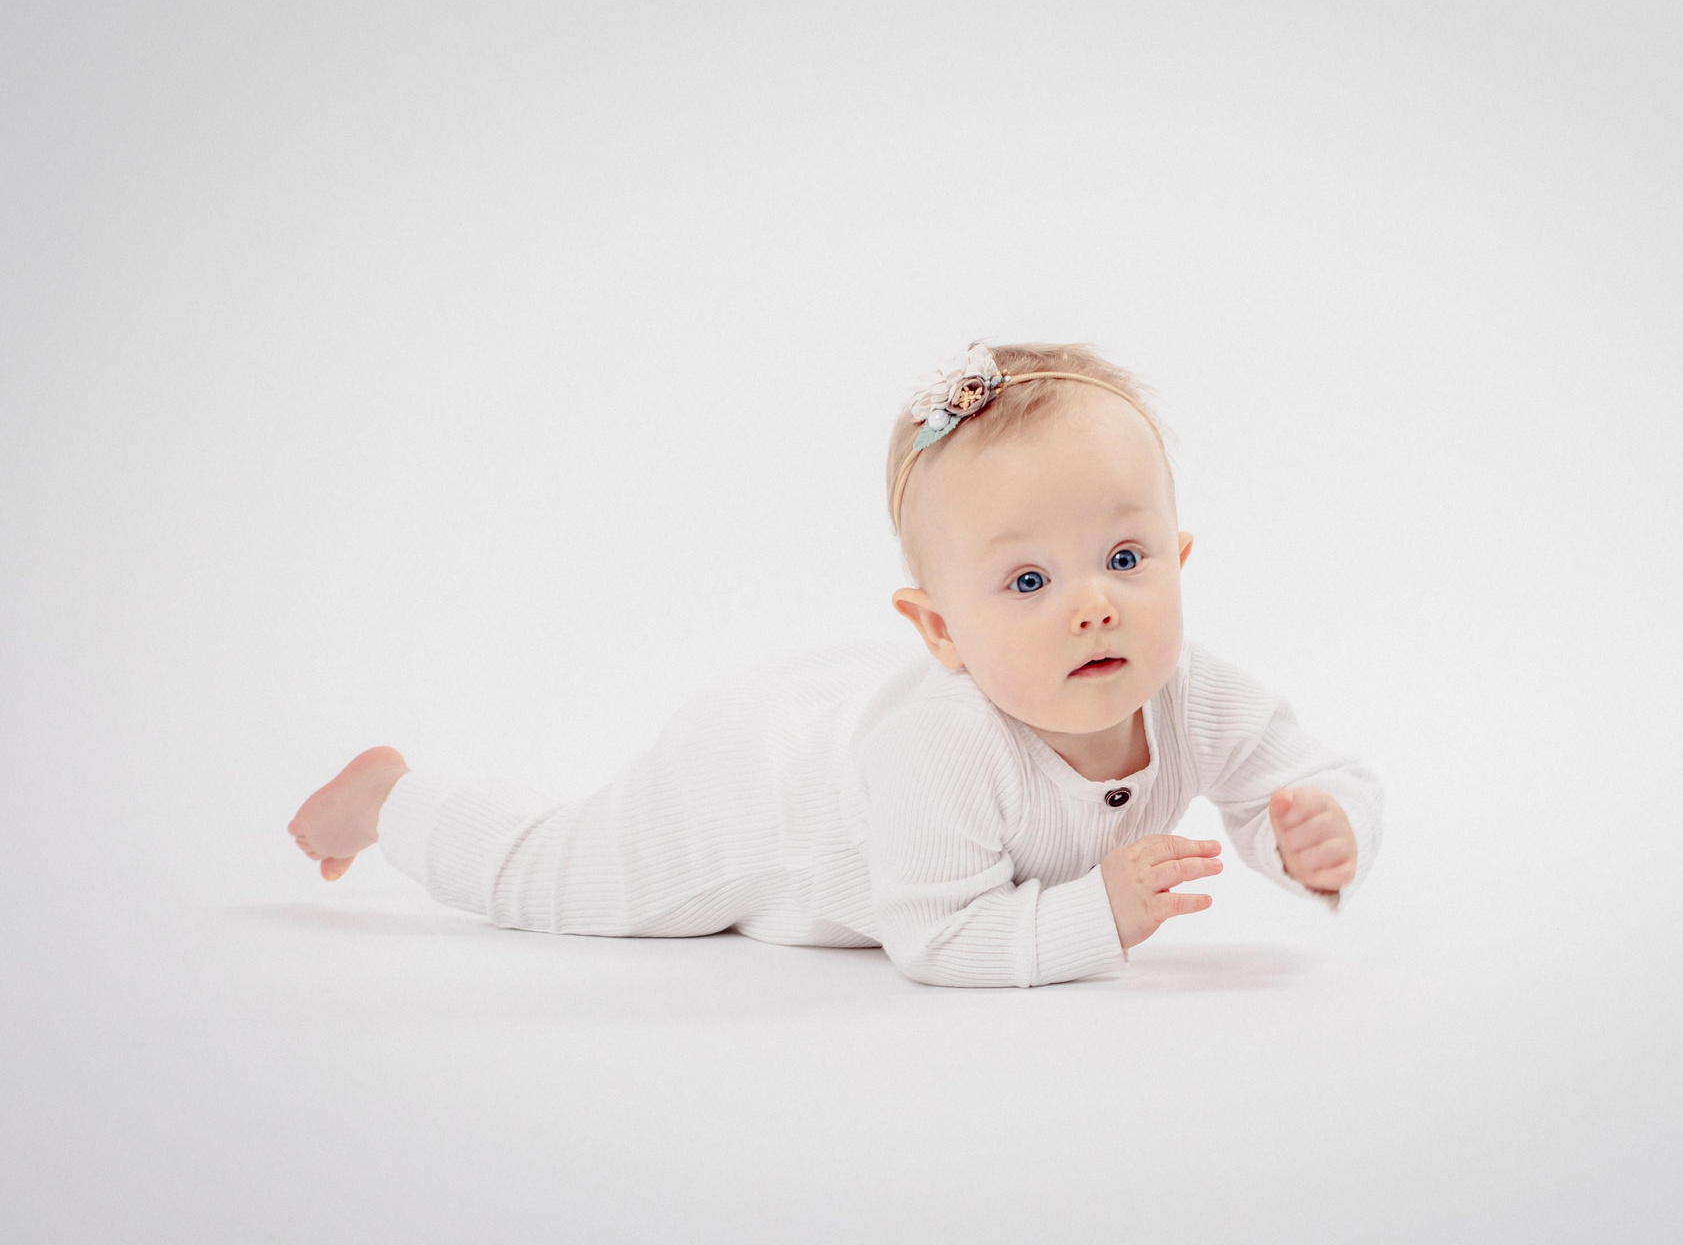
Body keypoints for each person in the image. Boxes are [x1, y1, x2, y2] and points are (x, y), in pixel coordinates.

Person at [288, 341, 1384, 987]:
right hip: (756, 802)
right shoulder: (946, 748)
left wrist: (1320, 835)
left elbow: (1304, 778)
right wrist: (1099, 913)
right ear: (941, 632)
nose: (1095, 604)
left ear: (1178, 562)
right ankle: (395, 802)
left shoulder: (1194, 689)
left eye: (1126, 558)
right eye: (1028, 581)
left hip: (846, 742)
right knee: (559, 879)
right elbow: (935, 936)